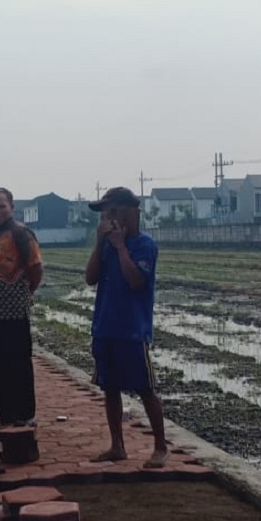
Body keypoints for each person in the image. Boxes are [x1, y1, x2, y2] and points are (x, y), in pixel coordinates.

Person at [84, 186, 167, 468]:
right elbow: (90, 279)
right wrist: (100, 244)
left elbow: (135, 281)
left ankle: (160, 447)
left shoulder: (144, 245)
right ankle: (117, 445)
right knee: (109, 388)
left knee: (145, 389)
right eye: (104, 214)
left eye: (112, 212)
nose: (107, 218)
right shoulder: (105, 244)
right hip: (105, 326)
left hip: (132, 330)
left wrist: (120, 247)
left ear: (129, 213)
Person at [0, 187, 44, 426]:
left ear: (11, 207)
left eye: (1, 206)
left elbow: (36, 268)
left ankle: (25, 414)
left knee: (19, 362)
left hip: (16, 309)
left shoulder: (21, 234)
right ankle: (5, 412)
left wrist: (26, 292)